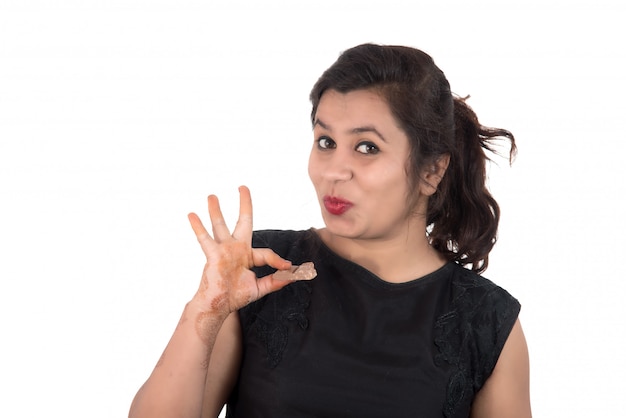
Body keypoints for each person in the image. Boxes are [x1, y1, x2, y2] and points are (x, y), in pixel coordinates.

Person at [129, 43, 531, 418]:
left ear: (432, 171)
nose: (334, 171)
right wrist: (205, 309)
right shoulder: (261, 271)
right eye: (325, 141)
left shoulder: (488, 323)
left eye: (367, 147)